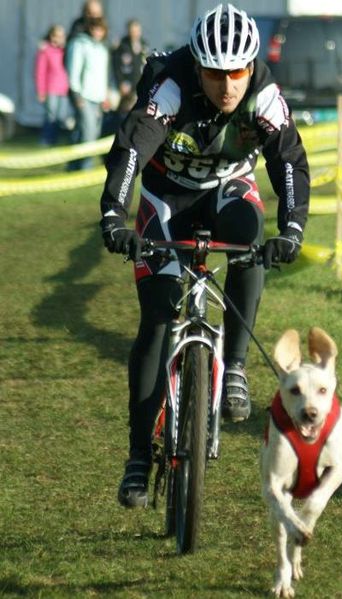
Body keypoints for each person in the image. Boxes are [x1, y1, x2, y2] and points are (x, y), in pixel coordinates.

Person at [99, 4, 310, 508]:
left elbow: (289, 159)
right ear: (197, 66)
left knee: (249, 235)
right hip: (165, 196)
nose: (227, 84)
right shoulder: (170, 86)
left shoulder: (263, 94)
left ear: (250, 65)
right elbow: (131, 147)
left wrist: (293, 227)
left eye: (237, 71)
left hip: (225, 188)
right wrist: (113, 214)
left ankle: (234, 364)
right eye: (215, 73)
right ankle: (137, 456)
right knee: (155, 319)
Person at [65, 16, 110, 170]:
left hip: (97, 98)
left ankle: (72, 165)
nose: (98, 32)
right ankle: (86, 167)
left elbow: (103, 75)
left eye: (100, 29)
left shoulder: (103, 49)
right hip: (83, 96)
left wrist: (104, 96)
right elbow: (74, 71)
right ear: (89, 29)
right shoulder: (79, 45)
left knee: (82, 132)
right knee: (89, 132)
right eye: (95, 28)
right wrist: (76, 95)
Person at [34, 24, 70, 146]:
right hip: (51, 89)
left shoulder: (65, 50)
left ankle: (55, 139)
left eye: (61, 36)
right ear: (51, 36)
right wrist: (41, 91)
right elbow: (40, 72)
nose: (59, 38)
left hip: (64, 89)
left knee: (61, 116)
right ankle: (46, 140)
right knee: (51, 115)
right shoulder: (45, 51)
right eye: (56, 35)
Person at [112, 19, 149, 119]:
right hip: (127, 85)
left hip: (140, 83)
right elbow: (116, 66)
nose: (135, 34)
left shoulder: (144, 45)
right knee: (124, 112)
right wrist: (121, 82)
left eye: (137, 31)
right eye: (132, 31)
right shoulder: (122, 46)